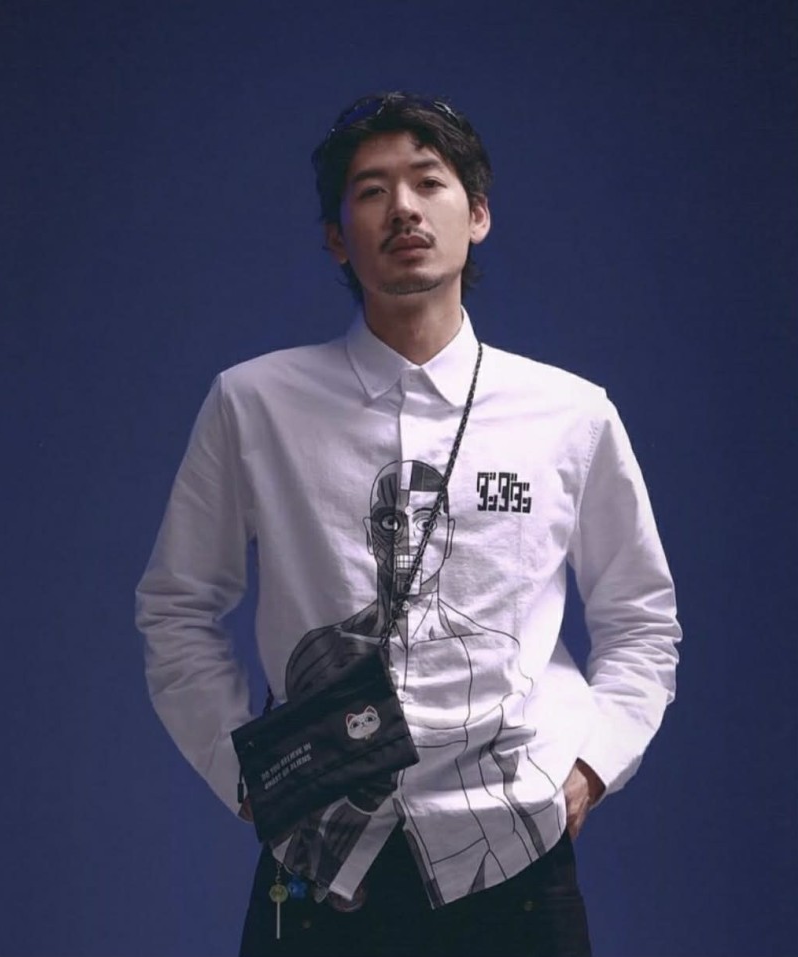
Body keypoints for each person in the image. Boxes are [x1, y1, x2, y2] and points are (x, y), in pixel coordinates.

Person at [136, 91, 682, 957]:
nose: (403, 208)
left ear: (478, 215)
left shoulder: (571, 414)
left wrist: (590, 767)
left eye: (429, 181)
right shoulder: (254, 403)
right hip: (320, 861)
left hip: (513, 855)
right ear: (334, 237)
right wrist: (245, 773)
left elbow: (642, 618)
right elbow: (176, 606)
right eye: (371, 190)